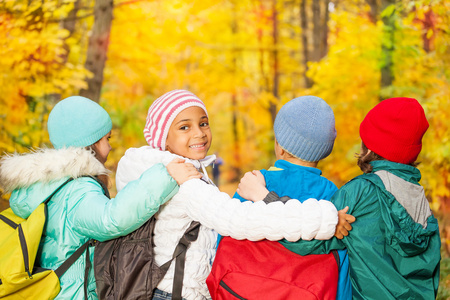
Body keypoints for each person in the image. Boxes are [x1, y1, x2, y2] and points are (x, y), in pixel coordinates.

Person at [115, 89, 345, 300]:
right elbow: (237, 220)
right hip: (177, 292)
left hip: (169, 287)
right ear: (162, 137)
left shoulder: (161, 173)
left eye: (203, 123)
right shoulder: (183, 182)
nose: (199, 133)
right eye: (184, 127)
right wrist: (327, 219)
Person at [239, 97, 441, 299]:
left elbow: (304, 237)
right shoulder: (420, 199)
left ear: (369, 146)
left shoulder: (360, 192)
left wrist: (265, 198)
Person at [0, 96, 200, 300]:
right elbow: (111, 219)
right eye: (107, 139)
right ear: (91, 143)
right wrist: (165, 176)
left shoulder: (47, 185)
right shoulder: (77, 189)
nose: (110, 147)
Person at [219, 95, 352, 300]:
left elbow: (225, 235)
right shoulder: (333, 194)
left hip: (244, 290)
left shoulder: (256, 183)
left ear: (279, 146)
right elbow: (342, 259)